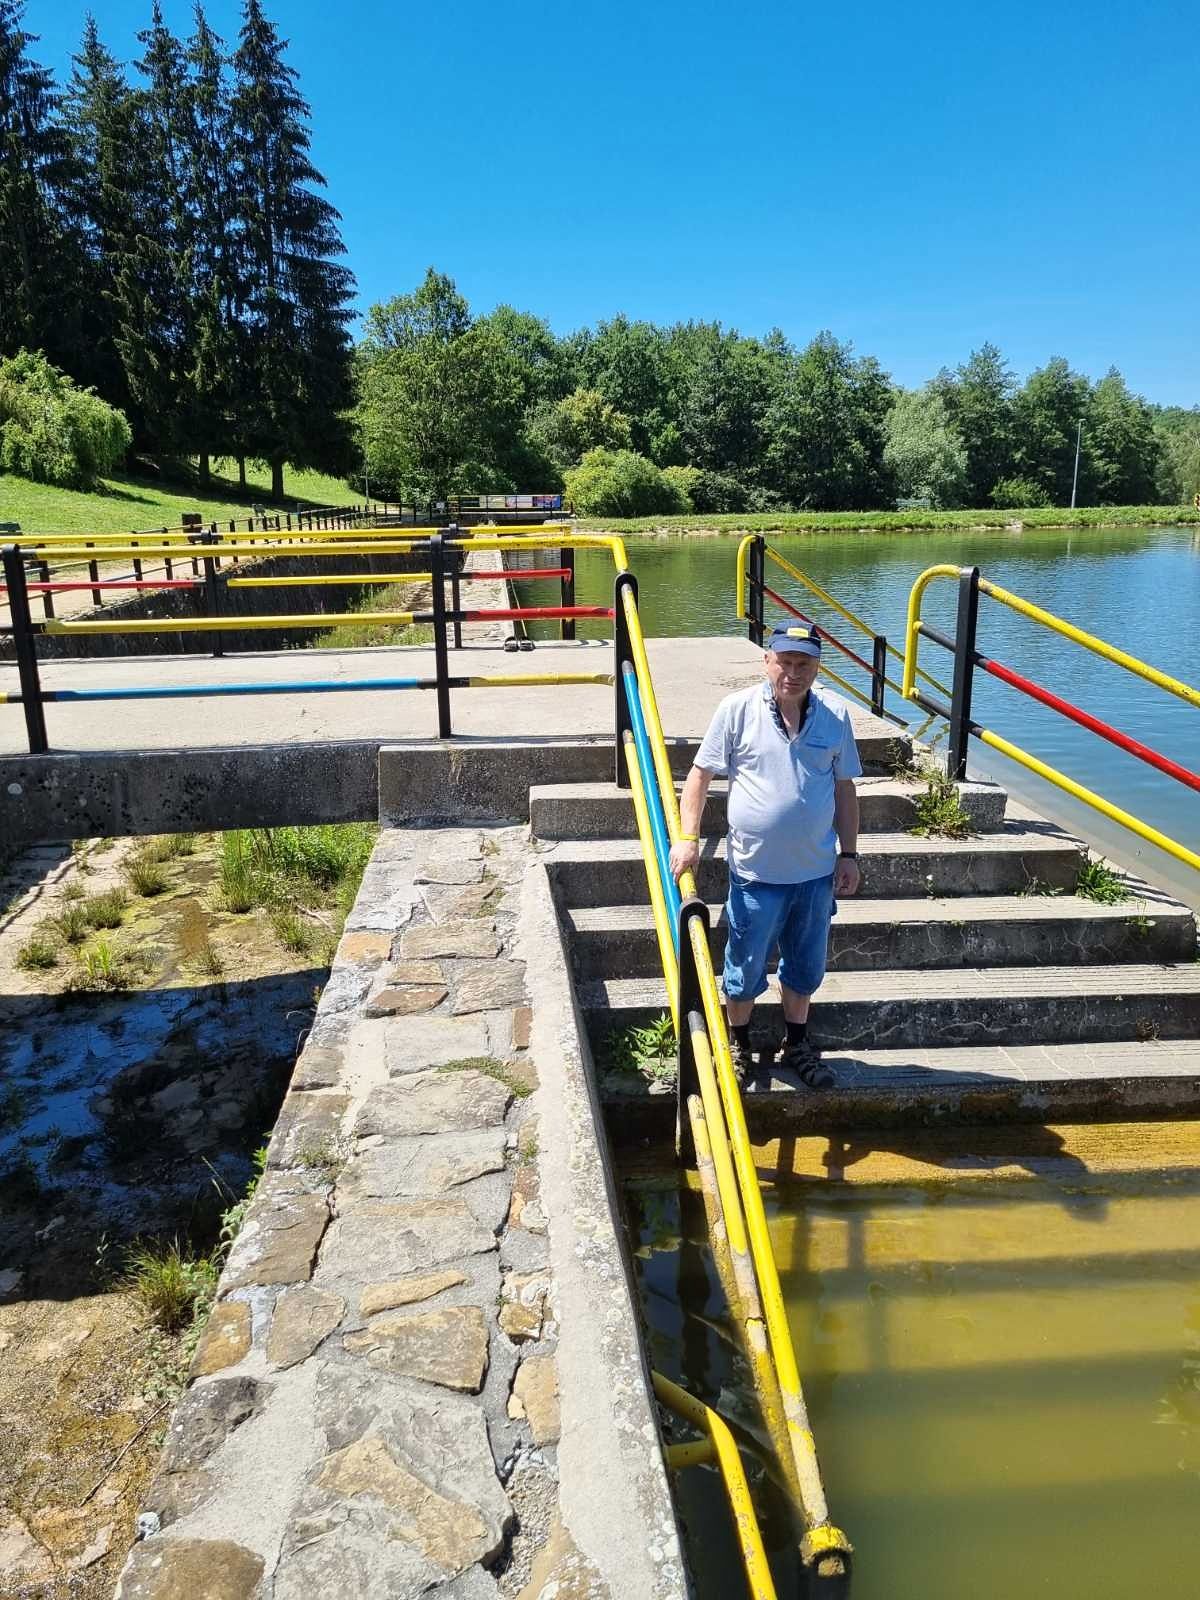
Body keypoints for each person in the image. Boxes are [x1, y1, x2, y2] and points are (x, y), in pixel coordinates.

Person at [667, 622, 862, 1087]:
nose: (793, 672)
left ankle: (798, 1043)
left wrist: (850, 853)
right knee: (745, 964)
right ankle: (738, 1044)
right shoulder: (736, 710)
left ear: (817, 667)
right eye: (785, 662)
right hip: (756, 873)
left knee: (805, 966)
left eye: (803, 664)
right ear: (767, 661)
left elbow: (845, 789)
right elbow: (699, 776)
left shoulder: (835, 715)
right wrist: (688, 837)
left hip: (815, 874)